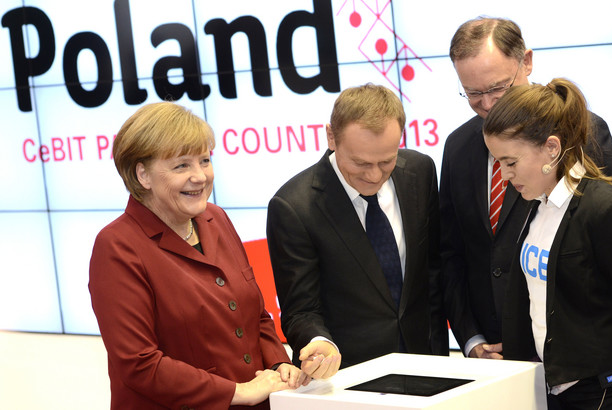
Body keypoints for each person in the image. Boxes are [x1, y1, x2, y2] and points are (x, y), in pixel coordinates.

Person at [89, 102, 308, 410]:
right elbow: (139, 364)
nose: (200, 176)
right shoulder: (116, 246)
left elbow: (255, 315)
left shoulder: (216, 219)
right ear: (143, 175)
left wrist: (276, 364)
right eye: (182, 166)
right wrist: (238, 392)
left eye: (204, 160)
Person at [440, 16, 612, 359]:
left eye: (497, 87)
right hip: (492, 353)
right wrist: (472, 340)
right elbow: (452, 253)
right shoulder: (458, 146)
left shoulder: (583, 133)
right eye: (474, 93)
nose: (488, 104)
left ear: (527, 62)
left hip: (575, 357)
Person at [266, 83, 449, 379]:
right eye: (360, 163)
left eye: (386, 161)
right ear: (331, 137)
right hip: (350, 378)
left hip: (428, 365)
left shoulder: (420, 171)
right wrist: (318, 343)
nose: (374, 175)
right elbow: (301, 310)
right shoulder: (294, 207)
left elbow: (433, 273)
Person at [483, 78, 612, 409]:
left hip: (598, 392)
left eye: (510, 162)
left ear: (552, 148)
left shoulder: (602, 208)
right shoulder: (536, 206)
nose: (503, 175)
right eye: (498, 162)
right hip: (549, 387)